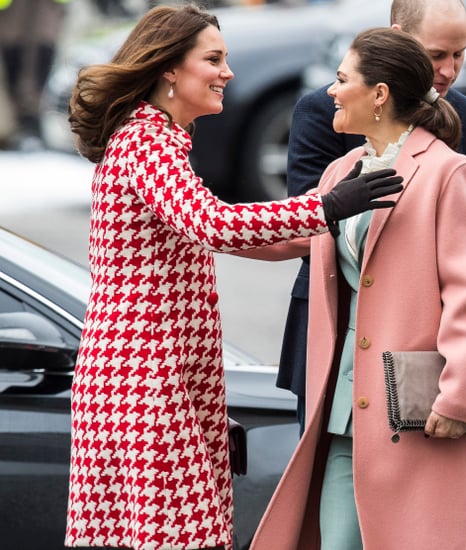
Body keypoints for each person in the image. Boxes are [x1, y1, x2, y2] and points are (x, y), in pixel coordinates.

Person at [63, 5, 403, 550]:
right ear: (170, 69)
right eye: (214, 59)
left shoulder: (155, 139)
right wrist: (325, 207)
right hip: (143, 382)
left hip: (153, 376)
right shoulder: (147, 140)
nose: (228, 72)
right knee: (177, 536)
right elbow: (214, 223)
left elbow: (228, 235)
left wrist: (334, 231)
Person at [250, 26, 466, 550]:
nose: (331, 91)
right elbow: (286, 233)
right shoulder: (345, 169)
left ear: (379, 94)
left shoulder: (450, 175)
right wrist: (186, 216)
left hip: (421, 413)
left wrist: (459, 397)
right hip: (347, 411)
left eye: (342, 79)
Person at [278, 0, 466, 435]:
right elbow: (300, 225)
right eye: (437, 54)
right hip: (337, 334)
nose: (449, 69)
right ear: (400, 39)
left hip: (433, 349)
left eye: (459, 54)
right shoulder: (329, 122)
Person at [0, 0, 69, 149]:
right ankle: (23, 123)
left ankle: (31, 121)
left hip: (48, 7)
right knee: (14, 53)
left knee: (42, 53)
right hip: (11, 9)